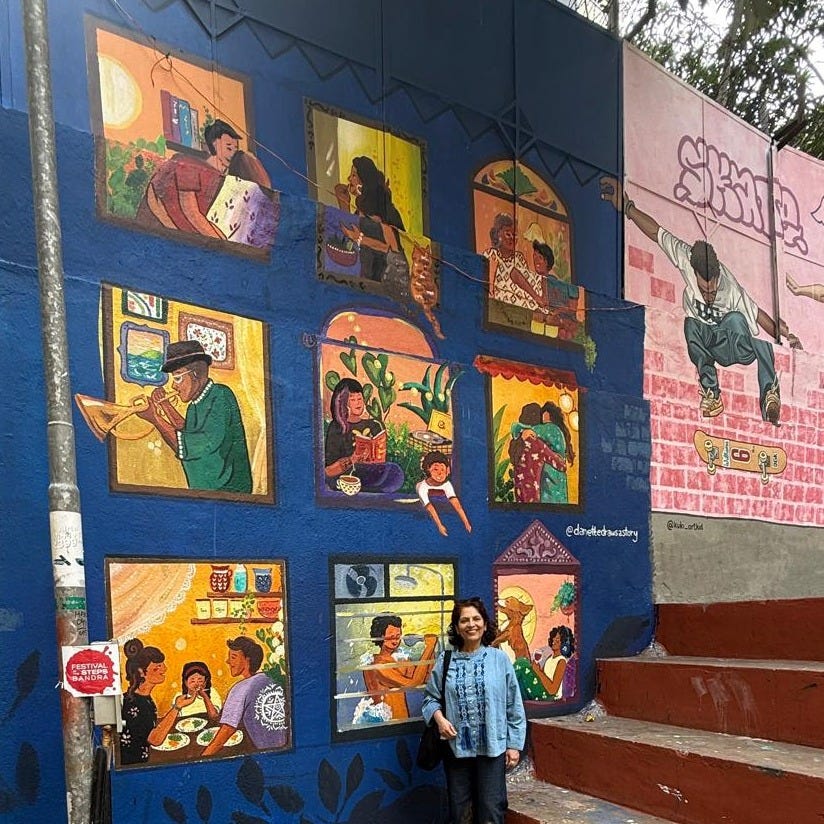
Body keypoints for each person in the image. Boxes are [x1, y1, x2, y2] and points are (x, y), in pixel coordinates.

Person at [601, 176, 802, 425]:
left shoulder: (729, 287)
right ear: (694, 272)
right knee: (691, 324)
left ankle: (770, 393)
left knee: (744, 325)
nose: (709, 295)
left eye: (712, 290)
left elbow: (757, 314)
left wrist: (784, 337)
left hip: (735, 346)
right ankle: (712, 394)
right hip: (711, 344)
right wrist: (628, 208)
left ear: (718, 277)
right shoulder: (686, 258)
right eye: (704, 290)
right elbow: (657, 233)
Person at [422, 597, 526, 824]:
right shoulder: (446, 660)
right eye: (464, 620)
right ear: (457, 627)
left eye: (476, 619)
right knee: (460, 813)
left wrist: (514, 745)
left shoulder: (499, 659)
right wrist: (440, 720)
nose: (471, 624)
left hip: (493, 748)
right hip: (456, 748)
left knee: (491, 810)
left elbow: (514, 704)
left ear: (485, 624)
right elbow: (430, 699)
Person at [137, 340, 253, 493]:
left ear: (195, 374)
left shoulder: (220, 395)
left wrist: (155, 418)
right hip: (203, 491)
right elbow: (187, 431)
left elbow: (195, 445)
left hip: (227, 492)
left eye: (177, 378)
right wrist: (165, 406)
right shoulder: (195, 404)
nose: (173, 386)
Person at [135, 119, 242, 240]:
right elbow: (189, 211)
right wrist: (220, 241)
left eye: (235, 150)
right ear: (214, 145)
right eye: (229, 148)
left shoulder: (218, 177)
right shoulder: (188, 166)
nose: (232, 154)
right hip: (155, 233)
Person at [335, 156, 410, 298]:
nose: (349, 179)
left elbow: (391, 249)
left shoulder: (381, 212)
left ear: (364, 181)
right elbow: (349, 233)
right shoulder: (360, 212)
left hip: (384, 282)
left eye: (354, 175)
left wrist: (360, 239)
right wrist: (344, 203)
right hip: (365, 278)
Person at [201, 637, 286, 756]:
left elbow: (226, 730)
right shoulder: (271, 678)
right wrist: (204, 695)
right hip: (284, 746)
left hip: (262, 752)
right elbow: (218, 717)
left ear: (247, 660)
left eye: (233, 657)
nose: (228, 661)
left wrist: (203, 757)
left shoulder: (240, 689)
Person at [119, 638, 196, 765]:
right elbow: (155, 739)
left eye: (162, 665)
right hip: (134, 765)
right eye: (157, 667)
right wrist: (177, 707)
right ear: (141, 672)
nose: (164, 669)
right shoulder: (135, 704)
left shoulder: (143, 698)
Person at [323, 377, 404, 493]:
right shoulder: (336, 427)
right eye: (352, 399)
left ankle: (366, 490)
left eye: (359, 398)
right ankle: (363, 489)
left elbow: (382, 462)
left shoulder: (374, 425)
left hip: (371, 472)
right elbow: (328, 471)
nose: (358, 403)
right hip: (348, 474)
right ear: (342, 403)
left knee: (395, 471)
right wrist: (352, 459)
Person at [362, 614, 438, 721]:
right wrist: (429, 648)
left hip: (402, 721)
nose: (395, 640)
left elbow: (426, 678)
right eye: (391, 636)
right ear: (380, 636)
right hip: (386, 723)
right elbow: (412, 684)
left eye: (398, 636)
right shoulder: (376, 664)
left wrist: (430, 649)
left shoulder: (399, 661)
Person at [508, 402, 574, 504]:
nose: (542, 423)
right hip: (554, 486)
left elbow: (524, 429)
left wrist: (518, 429)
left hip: (547, 485)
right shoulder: (541, 440)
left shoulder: (550, 429)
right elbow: (561, 465)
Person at [484, 213, 547, 312]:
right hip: (501, 303)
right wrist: (536, 297)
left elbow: (526, 280)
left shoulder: (519, 257)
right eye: (508, 234)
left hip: (522, 304)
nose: (512, 238)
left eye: (515, 235)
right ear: (497, 234)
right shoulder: (490, 254)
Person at [416, 451, 472, 536]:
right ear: (428, 469)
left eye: (443, 469)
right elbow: (430, 507)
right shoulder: (422, 487)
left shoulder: (447, 484)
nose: (440, 473)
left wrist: (466, 522)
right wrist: (439, 525)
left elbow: (456, 504)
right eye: (436, 469)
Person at [515, 626, 575, 701]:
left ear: (563, 644)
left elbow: (553, 690)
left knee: (522, 663)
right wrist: (537, 670)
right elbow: (542, 677)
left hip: (549, 696)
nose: (554, 640)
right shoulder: (550, 657)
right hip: (542, 690)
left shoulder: (561, 661)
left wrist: (538, 671)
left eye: (557, 639)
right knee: (523, 664)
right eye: (554, 637)